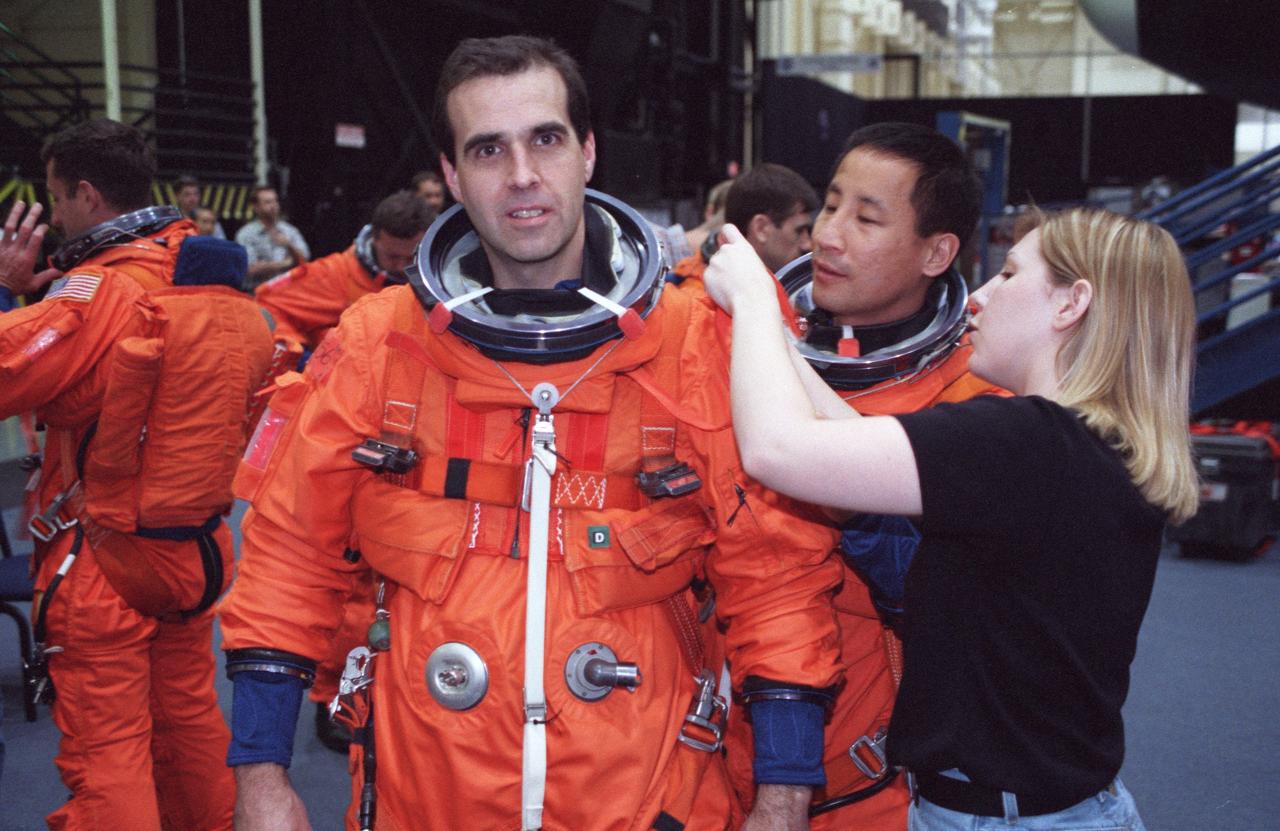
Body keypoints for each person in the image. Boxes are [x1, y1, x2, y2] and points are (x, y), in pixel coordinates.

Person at [220, 34, 844, 831]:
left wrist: (784, 794)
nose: (521, 174)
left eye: (545, 138)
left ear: (588, 152)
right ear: (452, 174)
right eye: (487, 149)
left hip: (646, 799)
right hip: (429, 797)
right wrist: (261, 774)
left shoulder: (694, 343)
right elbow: (289, 554)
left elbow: (775, 576)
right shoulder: (380, 345)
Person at [705, 207, 1197, 831]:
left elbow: (777, 451)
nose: (979, 297)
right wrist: (778, 339)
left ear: (1071, 303)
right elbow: (852, 439)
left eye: (1009, 274)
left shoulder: (1025, 441)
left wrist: (752, 299)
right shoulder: (1079, 448)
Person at [716, 122, 1001, 829]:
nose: (828, 235)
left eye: (866, 219)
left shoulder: (979, 406)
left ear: (937, 253)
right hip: (706, 769)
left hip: (876, 789)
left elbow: (945, 602)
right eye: (831, 205)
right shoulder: (731, 350)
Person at [0, 116, 276, 830]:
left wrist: (7, 292)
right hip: (197, 550)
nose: (54, 213)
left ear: (87, 194)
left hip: (106, 558)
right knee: (189, 725)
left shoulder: (101, 291)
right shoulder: (210, 275)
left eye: (56, 198)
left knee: (108, 753)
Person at [255, 189, 435, 352]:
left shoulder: (444, 282)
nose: (402, 266)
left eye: (412, 258)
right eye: (393, 257)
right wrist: (299, 357)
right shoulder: (336, 275)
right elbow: (267, 306)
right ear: (375, 238)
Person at [670, 165, 816, 291]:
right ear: (761, 228)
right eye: (799, 231)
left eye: (808, 232)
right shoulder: (698, 303)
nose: (808, 245)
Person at [236, 185, 310, 288]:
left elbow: (305, 260)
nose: (274, 206)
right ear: (256, 207)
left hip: (287, 291)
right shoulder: (246, 234)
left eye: (275, 201)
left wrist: (289, 246)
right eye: (268, 202)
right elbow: (250, 269)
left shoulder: (289, 231)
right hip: (257, 291)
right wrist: (287, 263)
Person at [176, 174, 227, 238]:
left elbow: (221, 242)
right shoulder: (171, 221)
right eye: (187, 194)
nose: (192, 199)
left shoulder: (210, 219)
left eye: (196, 194)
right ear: (177, 196)